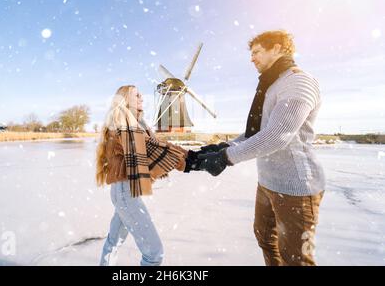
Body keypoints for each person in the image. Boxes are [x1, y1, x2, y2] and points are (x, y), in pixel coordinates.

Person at [198, 30, 326, 266]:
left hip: (296, 187)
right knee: (266, 239)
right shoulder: (271, 85)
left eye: (257, 52)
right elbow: (257, 131)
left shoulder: (298, 81)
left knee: (296, 259)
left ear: (277, 48)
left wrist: (226, 157)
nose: (252, 58)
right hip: (268, 182)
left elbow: (277, 135)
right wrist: (222, 147)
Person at [96, 85, 200, 266]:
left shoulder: (133, 123)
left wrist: (190, 156)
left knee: (113, 242)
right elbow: (149, 148)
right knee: (154, 254)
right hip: (125, 192)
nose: (142, 98)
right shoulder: (124, 124)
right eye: (137, 95)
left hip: (122, 191)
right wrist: (187, 158)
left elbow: (153, 143)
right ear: (125, 99)